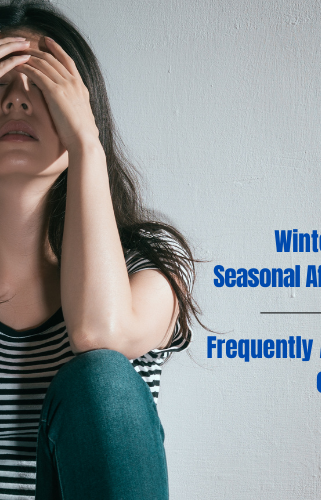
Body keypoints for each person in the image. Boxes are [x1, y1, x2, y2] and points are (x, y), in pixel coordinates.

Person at [0, 0, 200, 498]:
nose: (16, 101)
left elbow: (98, 332)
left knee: (100, 378)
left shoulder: (147, 272)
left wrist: (88, 146)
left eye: (42, 86)